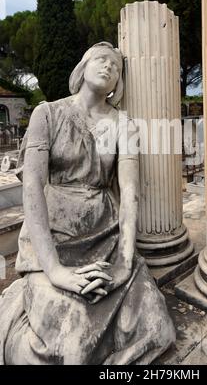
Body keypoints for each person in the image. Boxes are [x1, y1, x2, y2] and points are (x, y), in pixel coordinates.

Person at [0, 42, 176, 365]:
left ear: (118, 84)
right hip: (54, 243)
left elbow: (129, 190)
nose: (109, 67)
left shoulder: (123, 124)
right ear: (83, 66)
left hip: (106, 240)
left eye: (117, 67)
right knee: (74, 338)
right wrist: (55, 270)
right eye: (102, 59)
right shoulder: (47, 113)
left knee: (159, 327)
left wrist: (125, 261)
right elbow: (33, 188)